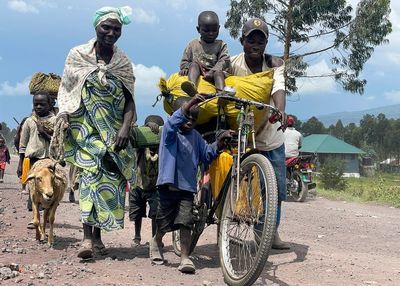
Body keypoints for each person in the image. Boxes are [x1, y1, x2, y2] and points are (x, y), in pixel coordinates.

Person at [57, 6, 136, 260]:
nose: (111, 33)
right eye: (106, 27)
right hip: (85, 131)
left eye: (117, 29)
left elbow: (130, 99)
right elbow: (68, 91)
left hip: (115, 133)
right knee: (90, 178)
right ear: (96, 27)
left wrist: (125, 127)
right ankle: (86, 238)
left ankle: (99, 236)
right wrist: (65, 120)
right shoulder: (77, 55)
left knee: (108, 183)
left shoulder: (122, 62)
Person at [150, 95, 233, 273]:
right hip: (168, 186)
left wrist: (219, 143)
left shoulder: (196, 137)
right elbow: (173, 123)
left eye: (194, 118)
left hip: (187, 189)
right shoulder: (169, 133)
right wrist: (190, 104)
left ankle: (185, 257)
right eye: (187, 115)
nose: (190, 121)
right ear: (177, 114)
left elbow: (206, 154)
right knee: (163, 222)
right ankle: (157, 241)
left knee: (185, 222)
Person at [230, 18, 289, 250]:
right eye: (251, 39)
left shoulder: (274, 63)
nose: (256, 44)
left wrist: (281, 111)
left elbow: (278, 87)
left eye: (260, 40)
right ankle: (227, 225)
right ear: (242, 40)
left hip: (270, 136)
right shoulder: (232, 63)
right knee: (235, 183)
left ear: (266, 42)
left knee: (275, 190)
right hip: (241, 136)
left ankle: (270, 233)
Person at [17, 93, 56, 227]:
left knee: (47, 188)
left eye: (42, 104)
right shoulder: (29, 121)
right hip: (32, 160)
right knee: (33, 190)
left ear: (50, 105)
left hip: (48, 161)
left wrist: (44, 132)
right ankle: (35, 218)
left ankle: (46, 216)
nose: (38, 107)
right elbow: (23, 144)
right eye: (36, 104)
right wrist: (20, 164)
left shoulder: (54, 121)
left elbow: (58, 141)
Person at [129, 115, 164, 247]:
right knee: (137, 212)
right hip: (138, 183)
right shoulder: (141, 145)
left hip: (156, 185)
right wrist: (146, 127)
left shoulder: (162, 146)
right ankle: (137, 236)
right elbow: (133, 136)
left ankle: (155, 238)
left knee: (156, 213)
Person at [179, 11, 230, 92]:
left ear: (219, 28)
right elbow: (184, 61)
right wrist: (185, 68)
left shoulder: (221, 44)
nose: (211, 33)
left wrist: (213, 71)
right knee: (194, 65)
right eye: (206, 31)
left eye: (214, 30)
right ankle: (192, 86)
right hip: (198, 71)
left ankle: (222, 94)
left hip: (214, 72)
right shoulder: (193, 44)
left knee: (218, 73)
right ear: (198, 29)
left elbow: (224, 60)